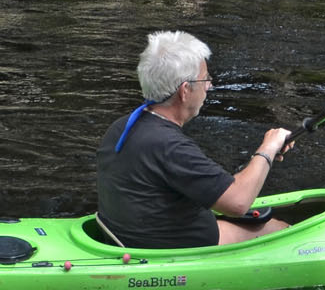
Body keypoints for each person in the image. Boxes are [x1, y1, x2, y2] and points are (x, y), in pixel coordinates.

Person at [95, 31, 295, 248]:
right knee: (282, 230)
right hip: (174, 248)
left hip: (130, 236)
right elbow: (238, 202)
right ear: (185, 90)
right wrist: (268, 148)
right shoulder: (170, 147)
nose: (209, 85)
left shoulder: (121, 127)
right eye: (205, 79)